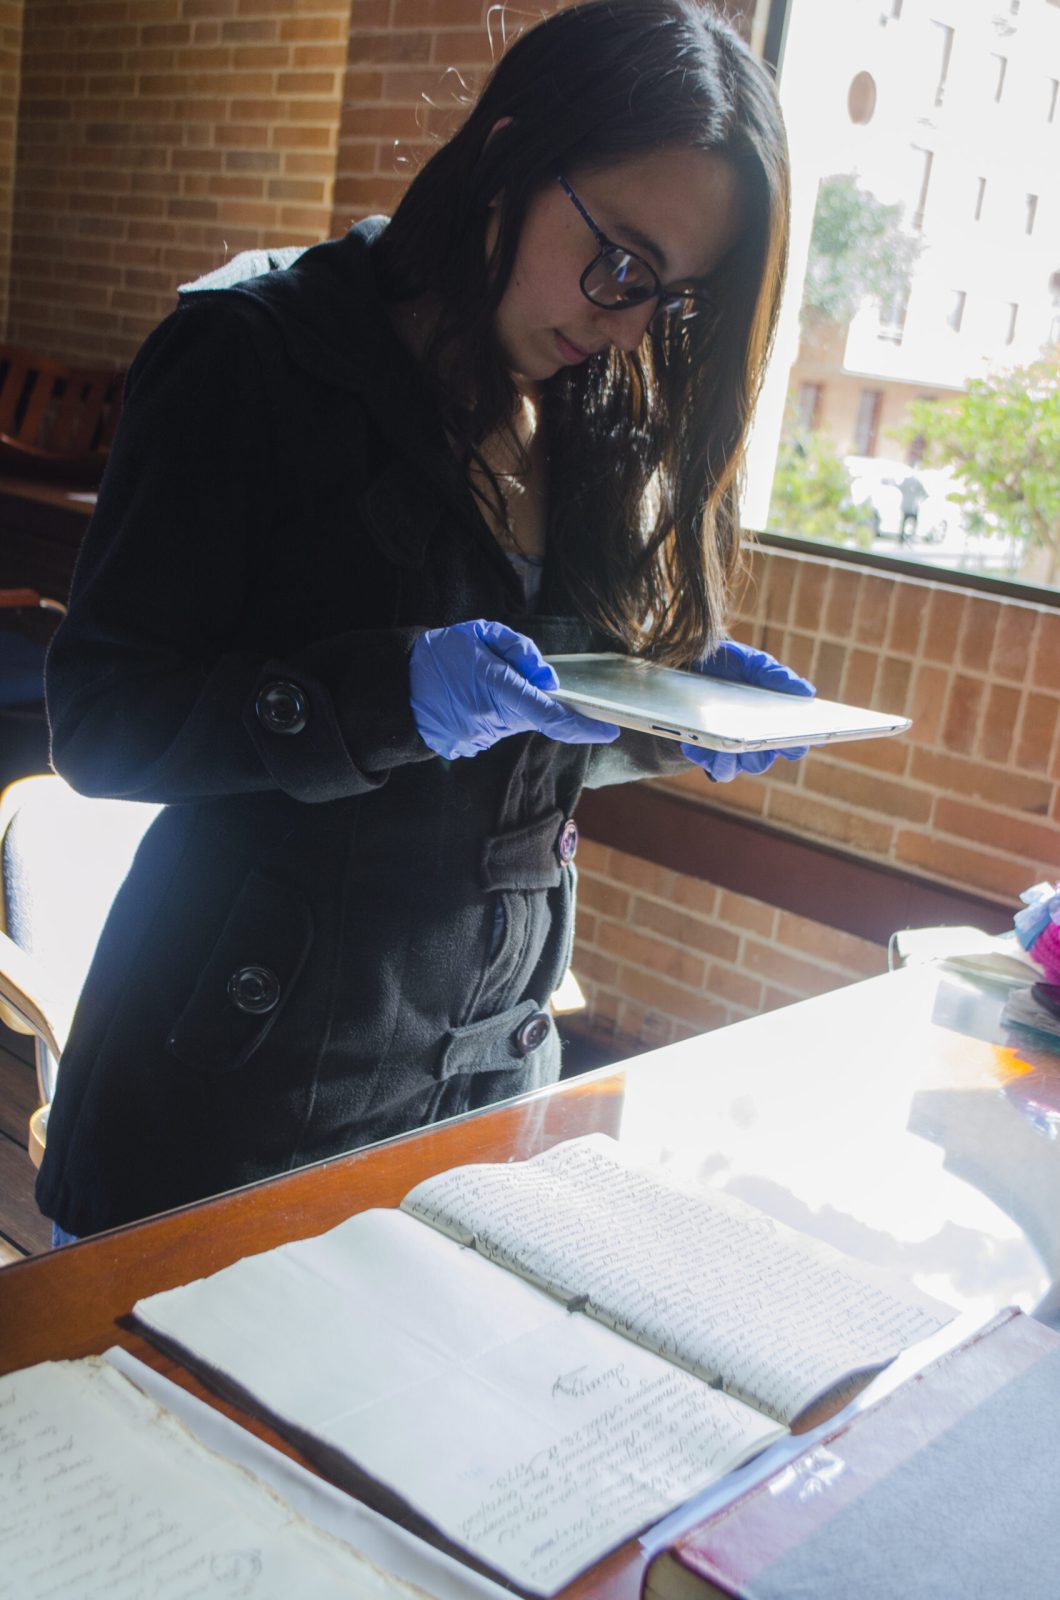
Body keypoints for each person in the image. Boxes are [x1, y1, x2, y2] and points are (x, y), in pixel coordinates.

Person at [37, 0, 814, 1241]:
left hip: (479, 1092)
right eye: (619, 259)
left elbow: (511, 735)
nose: (622, 321)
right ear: (509, 152)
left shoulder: (588, 419)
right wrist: (384, 696)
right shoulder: (252, 360)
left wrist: (656, 706)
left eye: (667, 299)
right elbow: (103, 722)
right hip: (230, 1105)